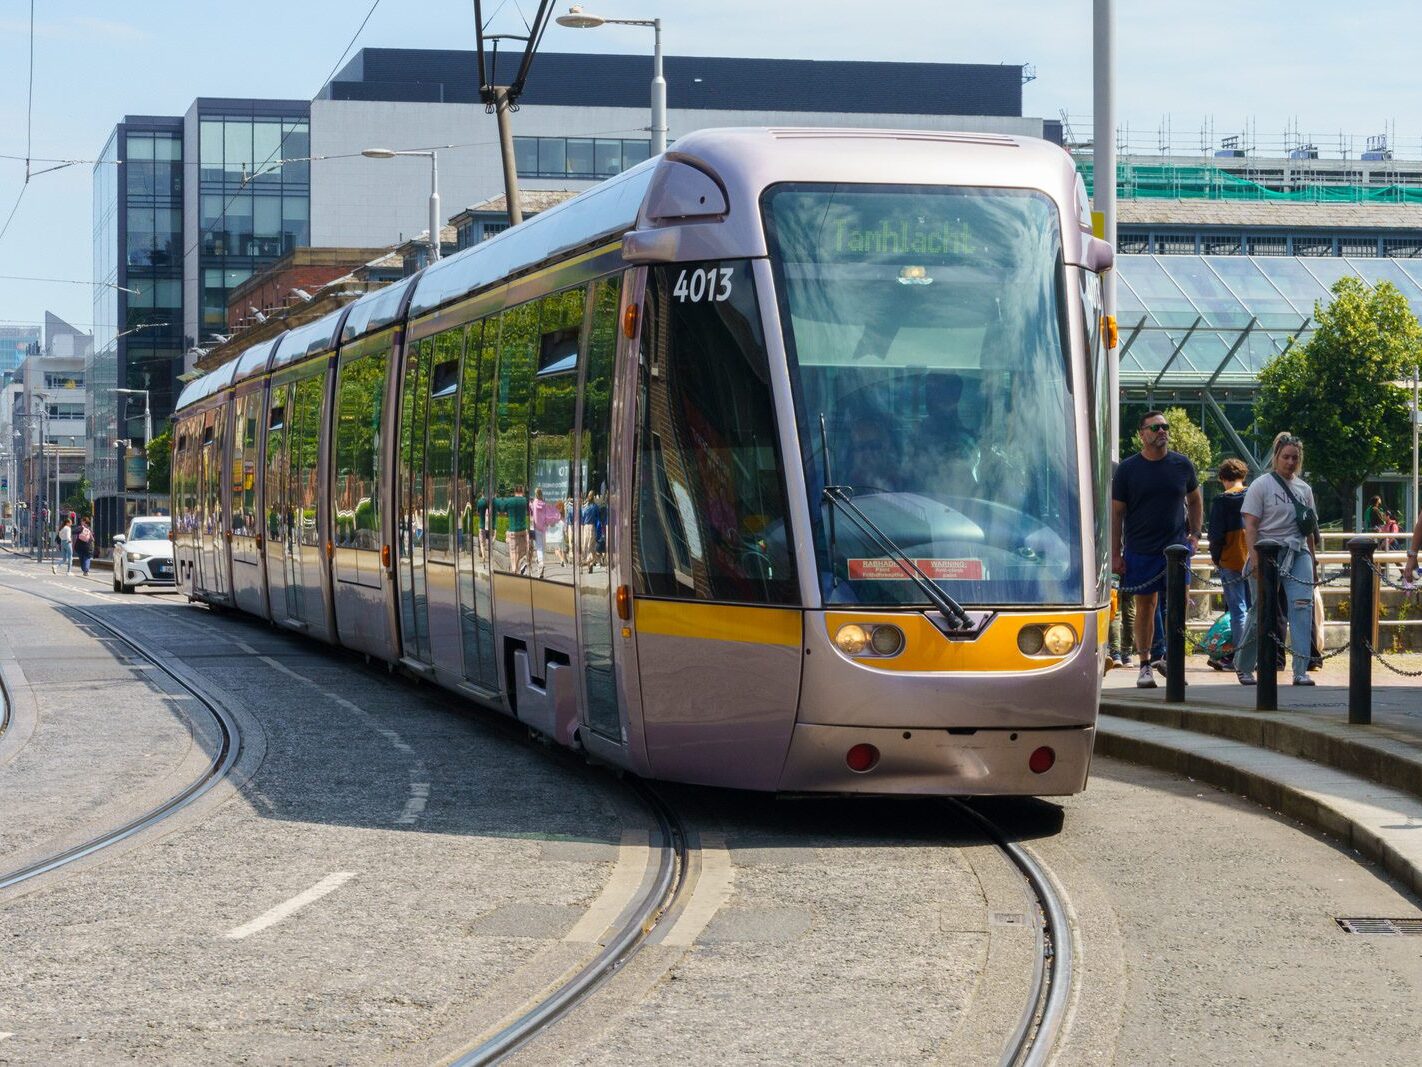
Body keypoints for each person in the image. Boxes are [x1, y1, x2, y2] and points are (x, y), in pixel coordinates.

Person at [1111, 410, 1203, 689]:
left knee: (1178, 607)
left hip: (1176, 551)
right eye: (1155, 428)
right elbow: (1116, 514)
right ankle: (1145, 664)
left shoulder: (1182, 465)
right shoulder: (1128, 469)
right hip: (1140, 549)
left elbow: (1196, 500)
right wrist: (1116, 553)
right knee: (1145, 607)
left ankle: (1174, 662)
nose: (1162, 431)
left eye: (1165, 427)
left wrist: (1195, 534)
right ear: (1142, 434)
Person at [1232, 432, 1320, 687]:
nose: (1290, 462)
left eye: (1294, 458)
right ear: (1276, 457)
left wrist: (1312, 562)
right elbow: (1250, 525)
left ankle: (1301, 669)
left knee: (1303, 608)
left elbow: (1309, 529)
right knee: (1261, 610)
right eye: (1285, 457)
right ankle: (1244, 664)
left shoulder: (1305, 489)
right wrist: (1256, 558)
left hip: (1298, 551)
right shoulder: (1261, 485)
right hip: (1267, 551)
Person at [1207, 458, 1251, 671]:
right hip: (1253, 559)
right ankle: (1254, 656)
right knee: (1253, 610)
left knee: (1238, 610)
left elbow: (1216, 535)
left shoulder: (1221, 501)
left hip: (1230, 559)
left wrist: (1216, 558)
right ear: (1244, 476)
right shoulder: (1253, 495)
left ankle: (1240, 658)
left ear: (1222, 478)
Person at [529, 487, 556, 578]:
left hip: (536, 527)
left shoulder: (534, 503)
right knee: (542, 547)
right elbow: (546, 516)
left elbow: (531, 511)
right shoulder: (544, 504)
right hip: (543, 528)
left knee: (539, 547)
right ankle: (539, 562)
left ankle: (540, 562)